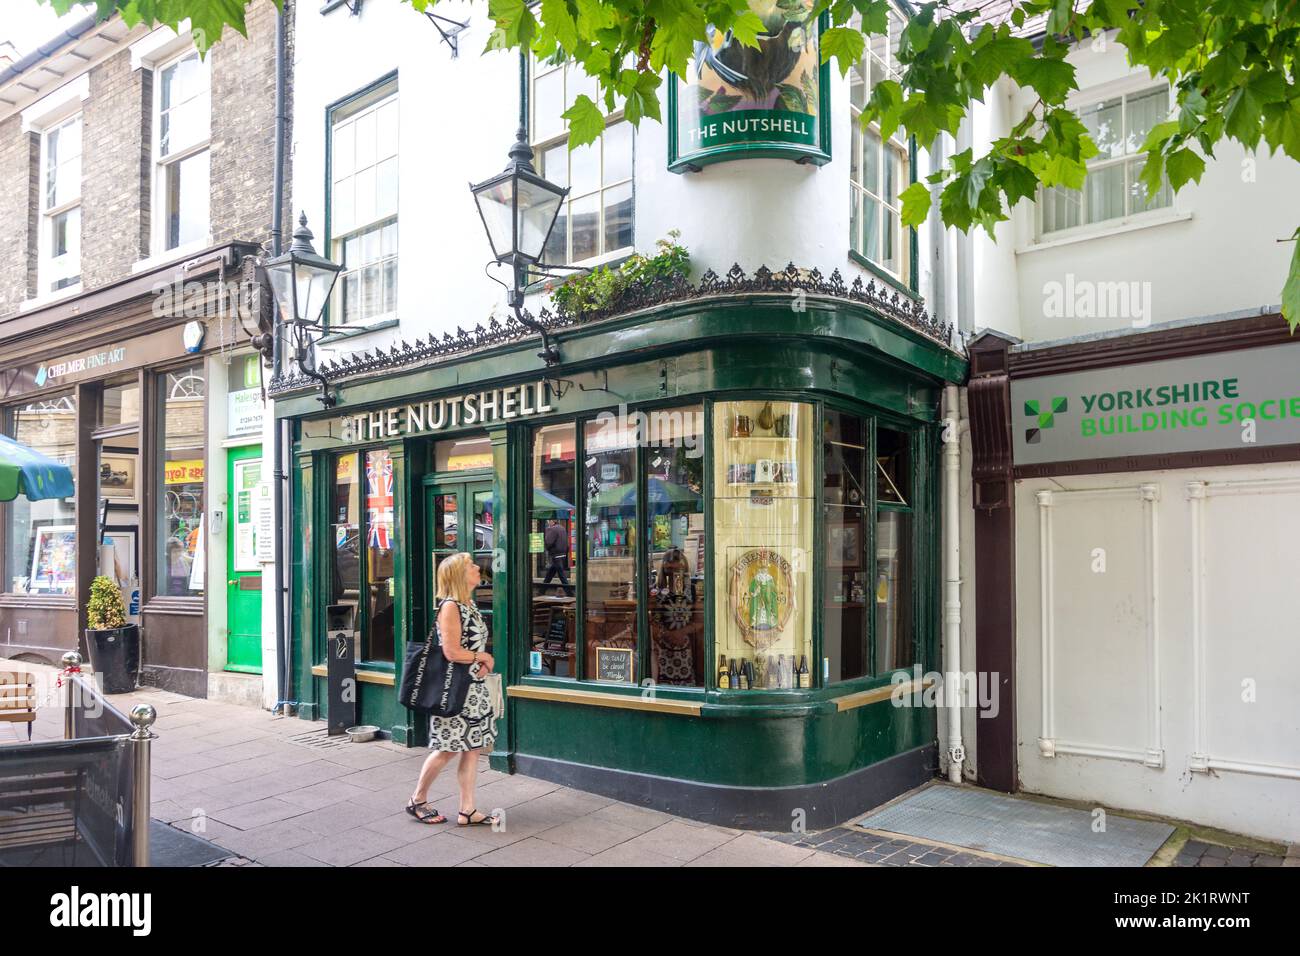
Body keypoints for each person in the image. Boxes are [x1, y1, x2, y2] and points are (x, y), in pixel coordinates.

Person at [405, 552, 499, 828]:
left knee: (472, 748)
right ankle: (417, 799)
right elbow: (451, 651)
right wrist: (483, 658)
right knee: (447, 749)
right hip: (453, 691)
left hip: (474, 688)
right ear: (459, 575)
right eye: (470, 565)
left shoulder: (469, 603)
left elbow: (470, 648)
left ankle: (467, 809)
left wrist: (480, 663)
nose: (476, 568)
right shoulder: (450, 607)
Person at [541, 517, 570, 592]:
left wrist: (547, 548)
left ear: (552, 521)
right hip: (563, 554)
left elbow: (548, 542)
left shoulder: (551, 529)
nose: (548, 523)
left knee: (562, 575)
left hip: (556, 555)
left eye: (548, 521)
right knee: (550, 574)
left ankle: (569, 592)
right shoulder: (562, 528)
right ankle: (542, 590)